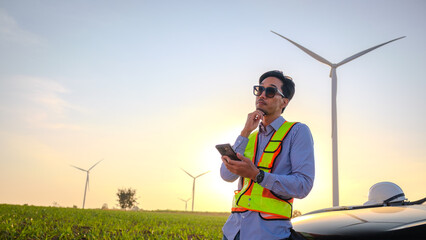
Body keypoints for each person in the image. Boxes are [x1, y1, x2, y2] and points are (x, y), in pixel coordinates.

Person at [220, 70, 315, 240]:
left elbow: (303, 185)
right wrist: (245, 131)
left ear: (284, 101)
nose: (262, 95)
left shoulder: (297, 132)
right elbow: (226, 175)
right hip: (233, 232)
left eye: (270, 91)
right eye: (259, 90)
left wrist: (257, 175)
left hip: (269, 234)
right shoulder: (250, 136)